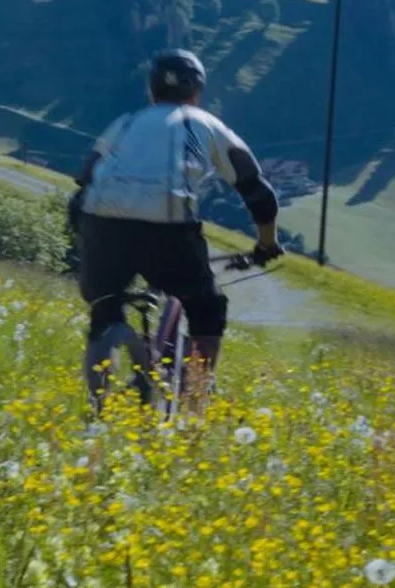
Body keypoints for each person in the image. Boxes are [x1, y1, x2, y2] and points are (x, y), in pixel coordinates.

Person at [69, 49, 282, 417]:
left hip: (101, 221)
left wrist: (83, 239)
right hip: (167, 227)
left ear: (151, 91)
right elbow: (257, 190)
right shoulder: (204, 124)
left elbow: (85, 180)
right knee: (206, 308)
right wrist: (266, 243)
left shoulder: (125, 122)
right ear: (197, 93)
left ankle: (96, 408)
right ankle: (193, 406)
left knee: (103, 309)